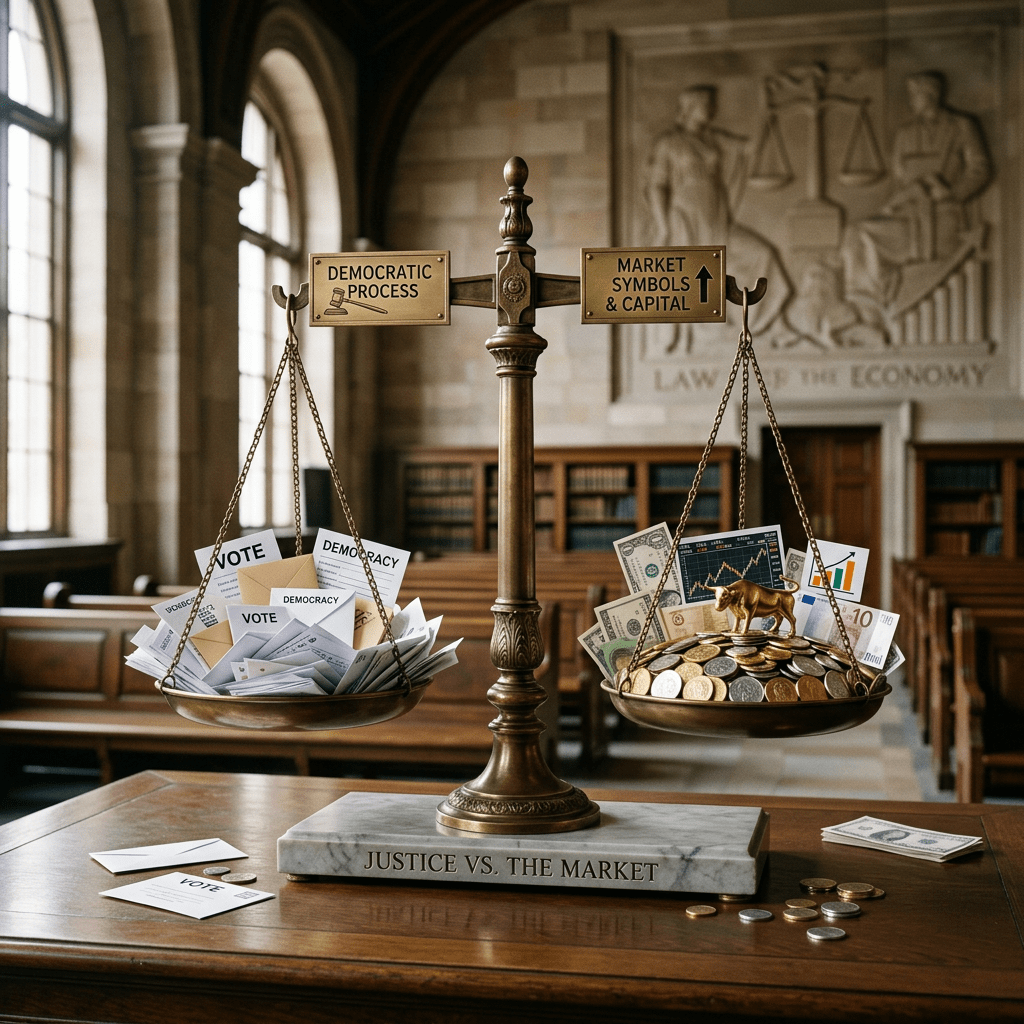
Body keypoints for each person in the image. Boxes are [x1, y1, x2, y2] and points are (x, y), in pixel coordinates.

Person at [646, 86, 789, 352]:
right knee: (688, 275)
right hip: (685, 217)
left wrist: (766, 107)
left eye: (711, 105)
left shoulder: (714, 139)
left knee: (762, 253)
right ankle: (684, 335)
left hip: (716, 216)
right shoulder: (669, 142)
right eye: (705, 105)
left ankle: (755, 325)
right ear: (690, 108)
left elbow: (752, 147)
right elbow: (657, 186)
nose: (710, 110)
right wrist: (665, 227)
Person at [843, 72, 991, 316]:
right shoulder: (905, 133)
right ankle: (867, 302)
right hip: (909, 217)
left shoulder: (961, 126)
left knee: (863, 234)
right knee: (854, 232)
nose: (911, 101)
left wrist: (952, 193)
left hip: (943, 218)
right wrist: (904, 199)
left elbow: (980, 170)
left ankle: (878, 296)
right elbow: (902, 175)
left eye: (915, 95)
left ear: (931, 95)